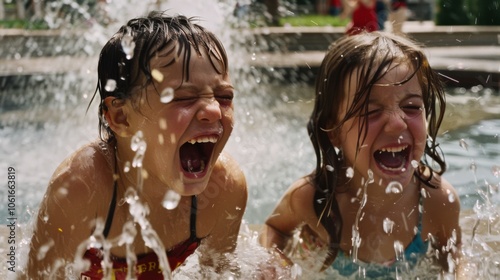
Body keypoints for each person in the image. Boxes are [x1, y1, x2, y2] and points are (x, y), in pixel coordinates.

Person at [25, 11, 247, 279]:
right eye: (184, 98)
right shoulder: (82, 189)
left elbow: (219, 274)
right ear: (120, 117)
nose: (213, 111)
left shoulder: (224, 188)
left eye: (224, 96)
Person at [259, 31, 461, 278]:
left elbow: (454, 255)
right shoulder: (314, 198)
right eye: (370, 111)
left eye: (411, 107)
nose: (398, 124)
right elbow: (274, 228)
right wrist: (275, 266)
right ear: (334, 131)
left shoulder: (436, 201)